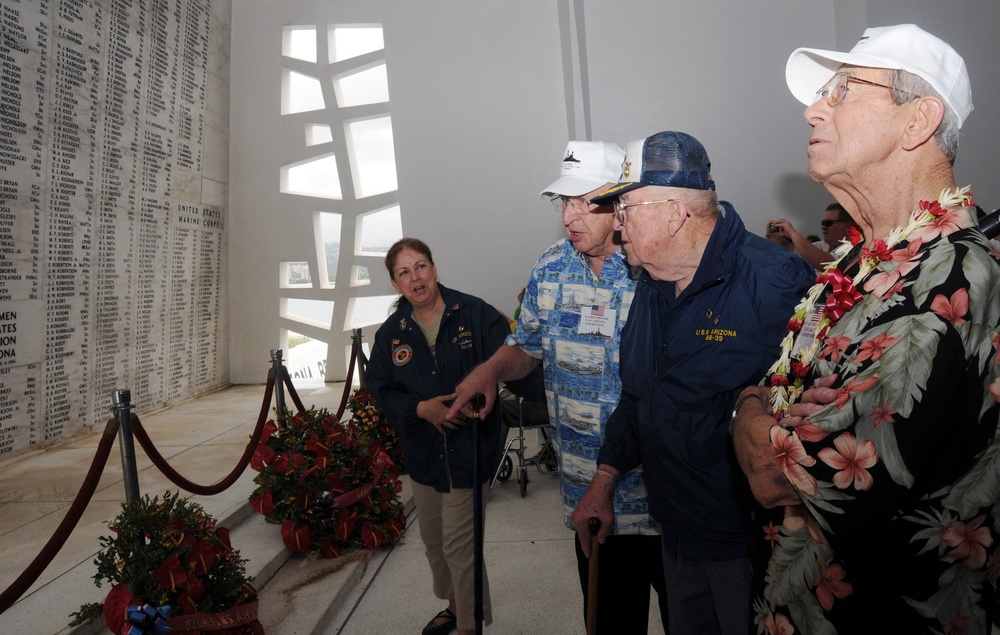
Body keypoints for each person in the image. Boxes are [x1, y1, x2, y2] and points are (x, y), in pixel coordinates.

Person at [731, 24, 1000, 634]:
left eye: (843, 90)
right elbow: (785, 399)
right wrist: (762, 410)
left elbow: (786, 474)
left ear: (917, 121)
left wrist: (746, 410)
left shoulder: (954, 278)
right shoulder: (860, 259)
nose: (810, 110)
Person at [569, 131, 816, 635]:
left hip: (748, 545)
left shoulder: (775, 281)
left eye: (625, 212)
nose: (616, 230)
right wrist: (603, 483)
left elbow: (811, 413)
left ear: (674, 212)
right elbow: (640, 398)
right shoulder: (651, 281)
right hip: (676, 534)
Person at [448, 140, 669, 633]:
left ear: (619, 206)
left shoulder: (654, 270)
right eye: (563, 202)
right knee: (610, 622)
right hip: (586, 495)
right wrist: (490, 370)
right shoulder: (551, 267)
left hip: (660, 498)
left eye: (583, 201)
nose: (569, 215)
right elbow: (525, 345)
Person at [365, 238, 508, 635]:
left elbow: (508, 361)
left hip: (468, 449)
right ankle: (454, 606)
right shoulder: (392, 333)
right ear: (396, 285)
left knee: (460, 548)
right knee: (434, 544)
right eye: (404, 273)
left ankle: (468, 625)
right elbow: (378, 386)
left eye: (421, 266)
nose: (416, 278)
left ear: (435, 268)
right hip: (424, 455)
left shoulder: (475, 313)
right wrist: (419, 409)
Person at [766, 202, 859, 269]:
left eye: (828, 223)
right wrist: (784, 243)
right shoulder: (822, 246)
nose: (823, 227)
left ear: (847, 225)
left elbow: (826, 263)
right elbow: (798, 254)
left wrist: (792, 233)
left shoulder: (854, 248)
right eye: (822, 223)